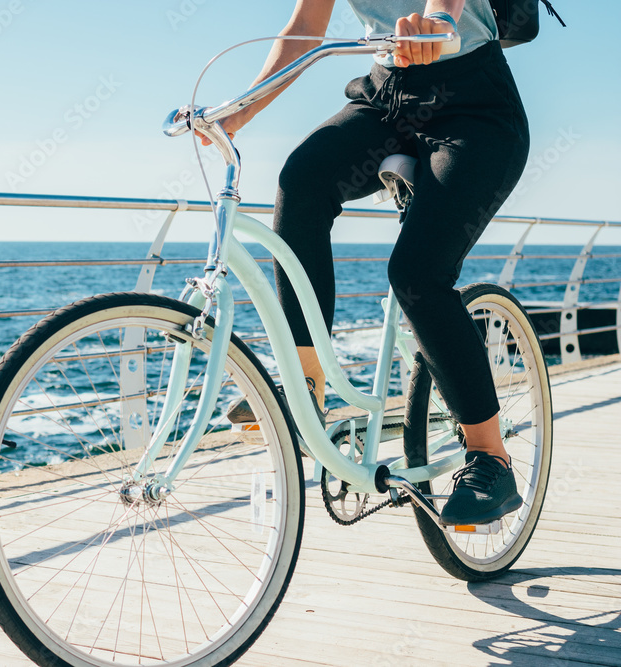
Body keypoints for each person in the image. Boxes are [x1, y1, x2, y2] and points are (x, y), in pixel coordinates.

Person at [219, 1, 529, 525]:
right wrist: (239, 111)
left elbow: (445, 4)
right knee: (300, 185)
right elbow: (304, 31)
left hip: (474, 106)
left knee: (417, 275)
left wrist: (440, 23)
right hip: (386, 98)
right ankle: (307, 388)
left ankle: (489, 457)